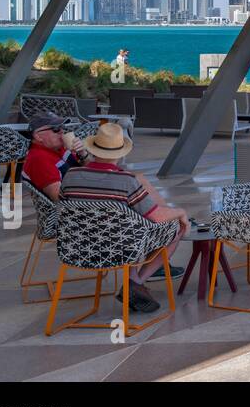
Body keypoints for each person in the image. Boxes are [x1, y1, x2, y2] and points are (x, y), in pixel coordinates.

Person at [60, 122, 186, 312]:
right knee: (175, 228)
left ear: (93, 149)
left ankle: (134, 284)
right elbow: (157, 216)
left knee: (127, 223)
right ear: (121, 153)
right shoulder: (126, 181)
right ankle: (135, 282)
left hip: (77, 249)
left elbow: (62, 207)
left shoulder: (70, 175)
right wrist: (181, 213)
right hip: (120, 249)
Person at [22, 114, 88, 200]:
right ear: (38, 136)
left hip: (85, 191)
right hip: (75, 207)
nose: (62, 131)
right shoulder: (39, 159)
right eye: (56, 129)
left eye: (62, 127)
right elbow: (59, 198)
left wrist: (82, 153)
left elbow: (92, 168)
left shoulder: (60, 148)